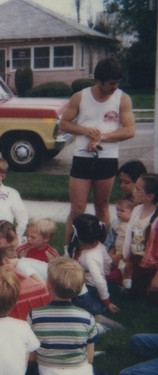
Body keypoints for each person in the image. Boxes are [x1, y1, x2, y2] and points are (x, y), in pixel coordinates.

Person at [60, 57, 135, 245]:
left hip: (107, 158)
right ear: (99, 80)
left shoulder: (122, 99)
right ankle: (68, 249)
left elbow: (129, 130)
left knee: (102, 206)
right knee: (77, 208)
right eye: (111, 83)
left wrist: (102, 137)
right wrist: (85, 131)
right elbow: (64, 124)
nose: (115, 86)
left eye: (118, 82)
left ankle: (101, 249)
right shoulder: (80, 96)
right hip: (83, 157)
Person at [27, 257, 98, 375]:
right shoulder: (87, 318)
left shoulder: (34, 316)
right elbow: (90, 358)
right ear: (79, 289)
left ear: (48, 284)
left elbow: (31, 357)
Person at [69, 214, 120, 314]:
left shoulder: (89, 258)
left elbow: (99, 281)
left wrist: (107, 302)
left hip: (90, 287)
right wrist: (104, 273)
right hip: (95, 286)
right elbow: (108, 262)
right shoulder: (98, 244)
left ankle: (100, 306)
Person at [122, 173, 158, 299]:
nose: (133, 191)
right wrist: (128, 258)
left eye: (137, 189)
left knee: (152, 296)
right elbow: (129, 236)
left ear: (149, 196)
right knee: (137, 294)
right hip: (138, 262)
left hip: (153, 266)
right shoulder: (136, 210)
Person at [104, 195, 135, 288]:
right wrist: (108, 252)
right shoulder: (116, 223)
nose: (118, 213)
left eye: (122, 211)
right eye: (117, 210)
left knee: (124, 269)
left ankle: (126, 285)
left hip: (127, 254)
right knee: (109, 266)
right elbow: (110, 241)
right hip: (116, 251)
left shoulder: (134, 225)